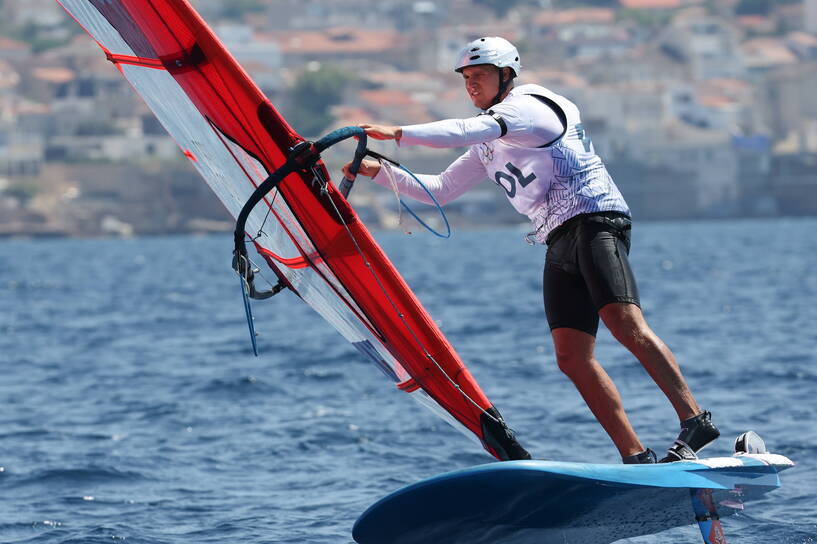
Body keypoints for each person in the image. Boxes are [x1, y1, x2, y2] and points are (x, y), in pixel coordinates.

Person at [343, 37, 719, 463]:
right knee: (571, 357)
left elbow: (468, 128)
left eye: (479, 75)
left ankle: (694, 418)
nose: (471, 85)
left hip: (596, 219)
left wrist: (399, 133)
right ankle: (634, 454)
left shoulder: (528, 106)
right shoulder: (489, 145)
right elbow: (441, 190)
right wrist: (377, 171)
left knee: (622, 321)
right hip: (558, 238)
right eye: (466, 78)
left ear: (506, 75)